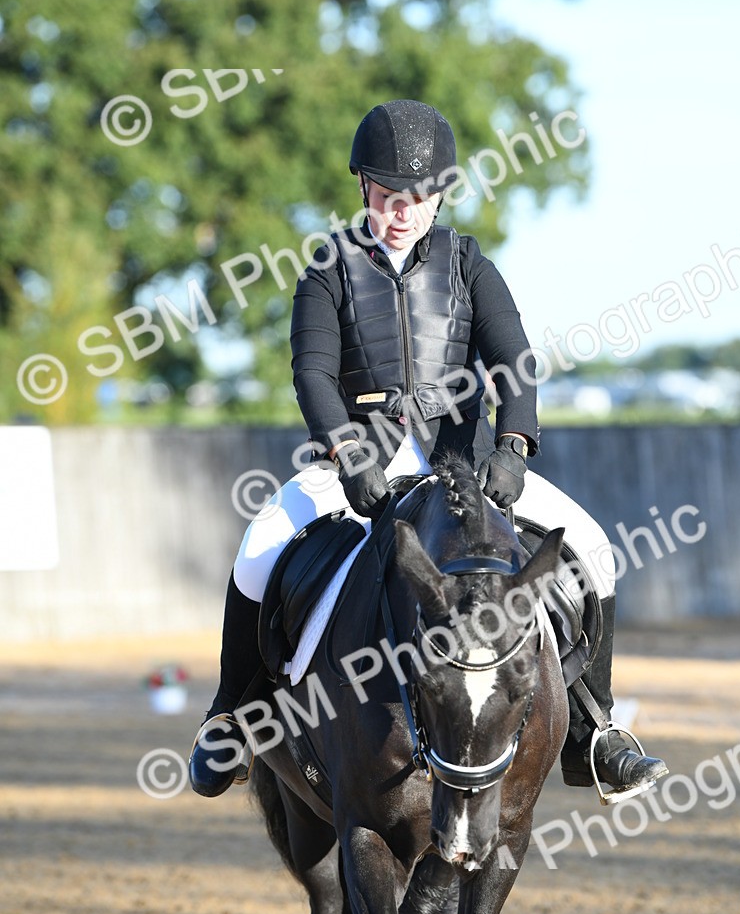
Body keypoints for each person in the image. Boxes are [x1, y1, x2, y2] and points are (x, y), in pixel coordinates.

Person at [189, 98, 668, 801]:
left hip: (462, 464)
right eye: (389, 196)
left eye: (419, 198)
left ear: (439, 196)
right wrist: (348, 453)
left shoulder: (468, 262)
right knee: (260, 545)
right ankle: (227, 718)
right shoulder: (329, 269)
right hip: (362, 460)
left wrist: (513, 442)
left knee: (594, 547)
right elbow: (313, 373)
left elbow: (514, 357)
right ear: (365, 190)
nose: (404, 211)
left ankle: (595, 732)